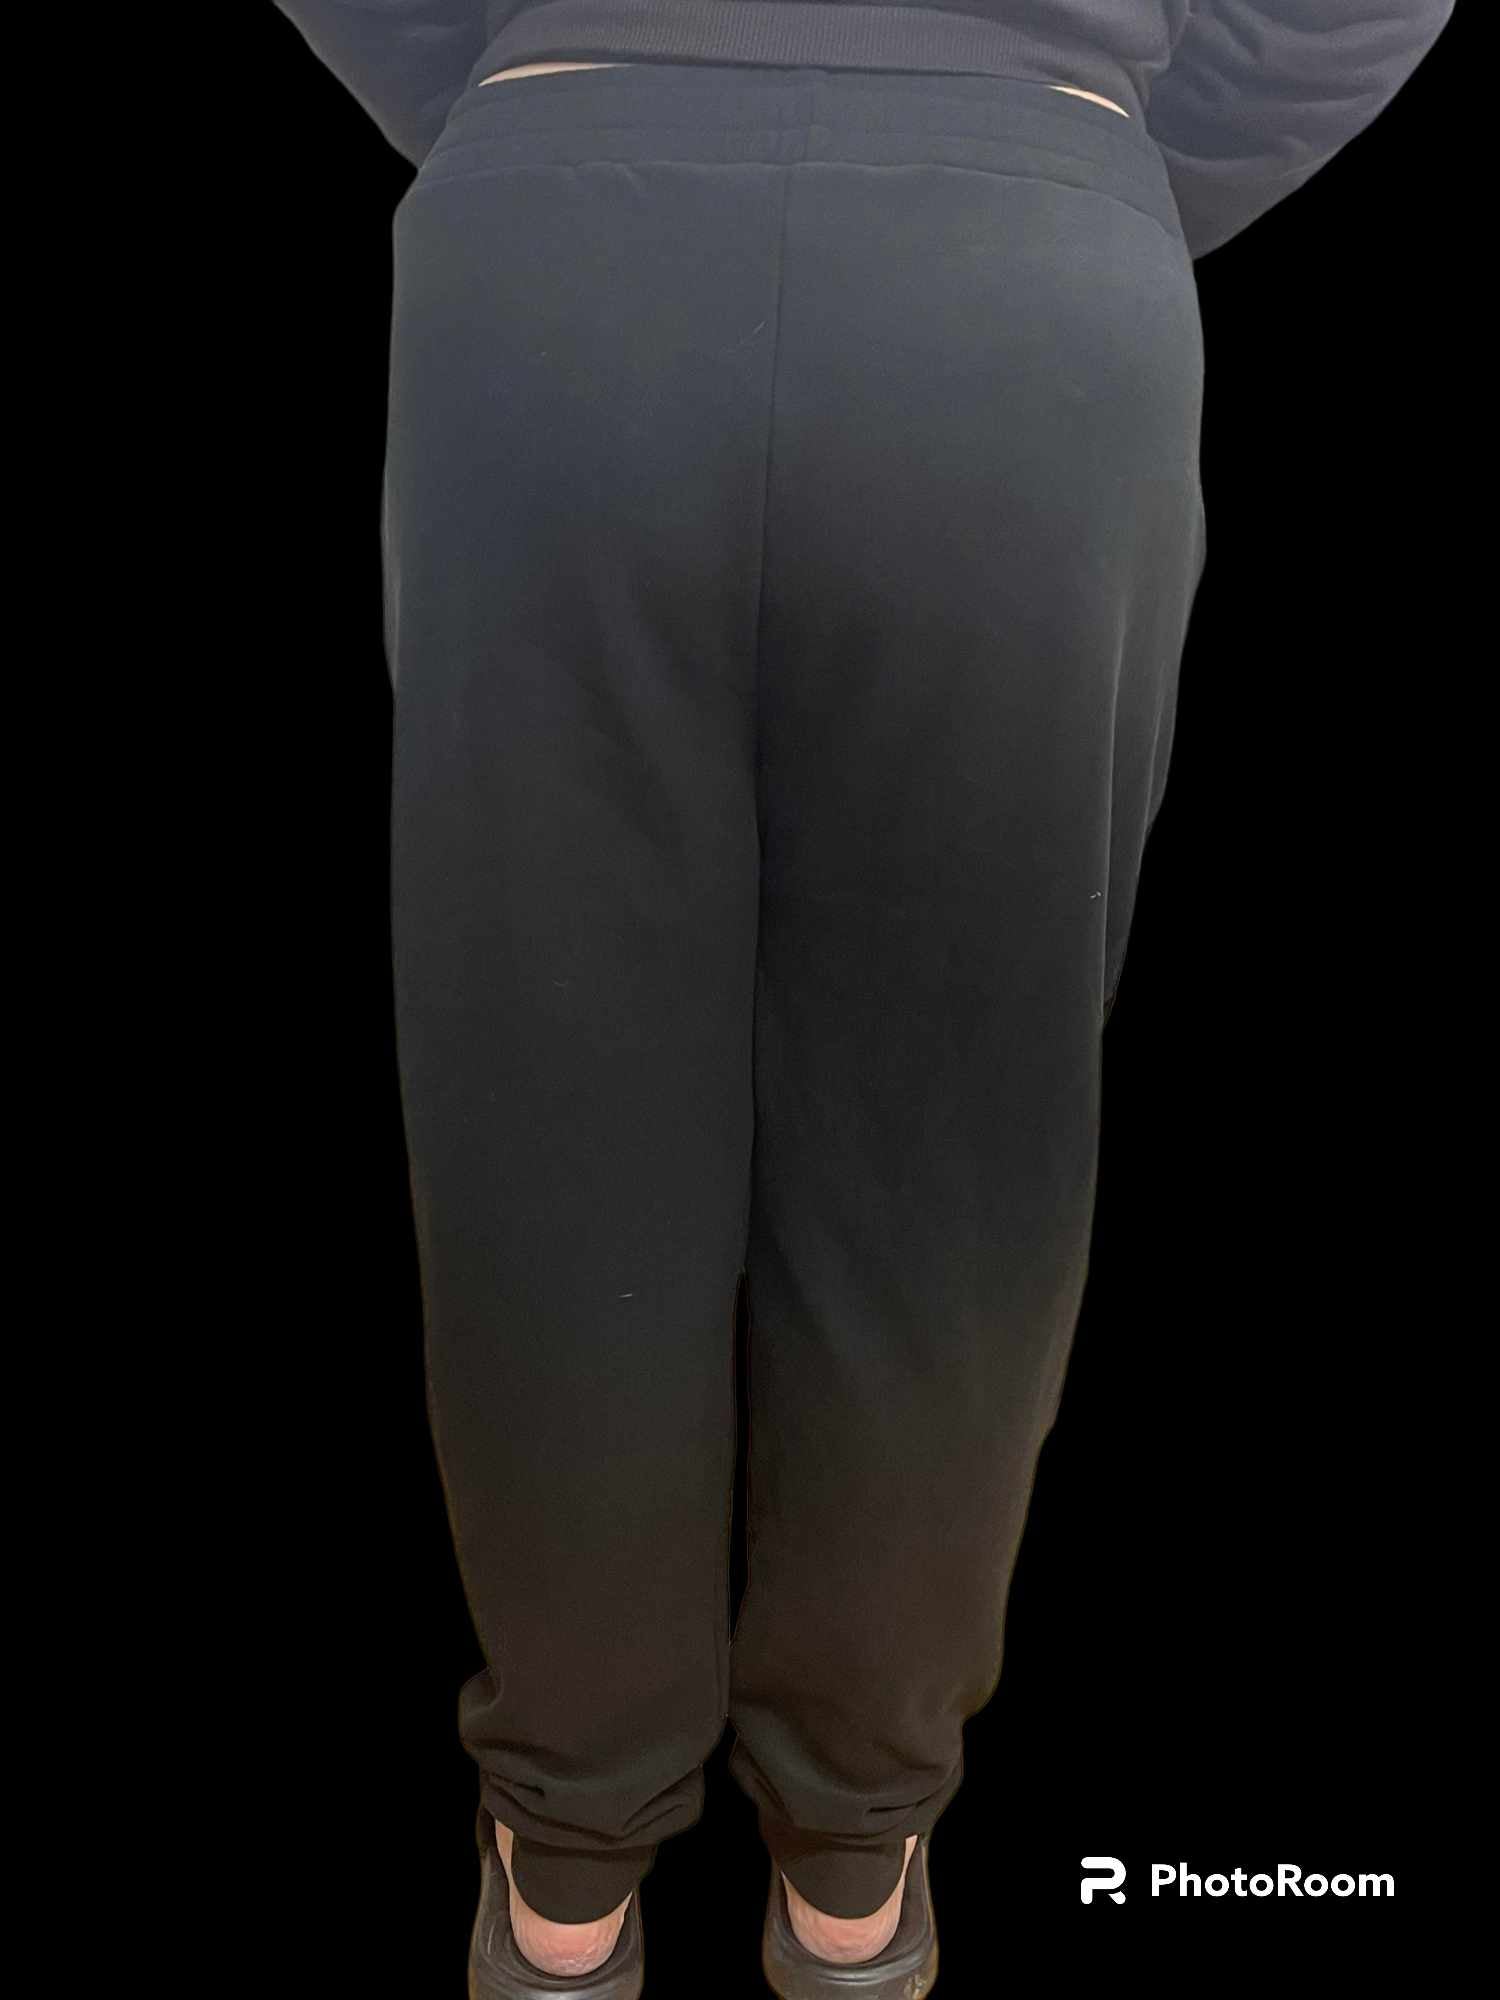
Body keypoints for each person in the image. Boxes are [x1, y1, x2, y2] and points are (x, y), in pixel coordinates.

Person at [273, 5, 1453, 1994]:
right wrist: (1076, 150)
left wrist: (535, 86)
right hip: (1023, 255)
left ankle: (565, 1870)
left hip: (568, 230)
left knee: (548, 1096)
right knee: (955, 1129)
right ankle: (854, 1854)